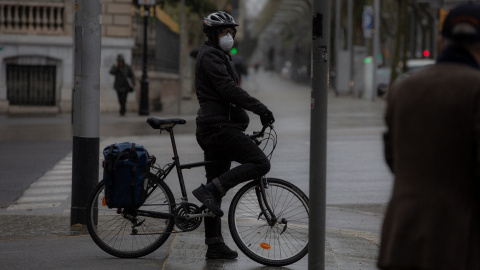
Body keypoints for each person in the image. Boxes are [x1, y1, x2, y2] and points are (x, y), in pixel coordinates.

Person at [378, 3, 480, 270]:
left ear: (440, 39)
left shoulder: (402, 89)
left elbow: (393, 159)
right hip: (460, 244)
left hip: (402, 239)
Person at [191, 11, 275, 260]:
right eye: (224, 32)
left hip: (217, 128)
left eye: (231, 32)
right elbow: (228, 89)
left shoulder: (219, 55)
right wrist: (260, 108)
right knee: (260, 163)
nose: (229, 37)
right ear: (213, 35)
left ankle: (214, 245)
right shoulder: (211, 57)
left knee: (213, 188)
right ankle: (211, 190)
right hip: (218, 129)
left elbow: (230, 91)